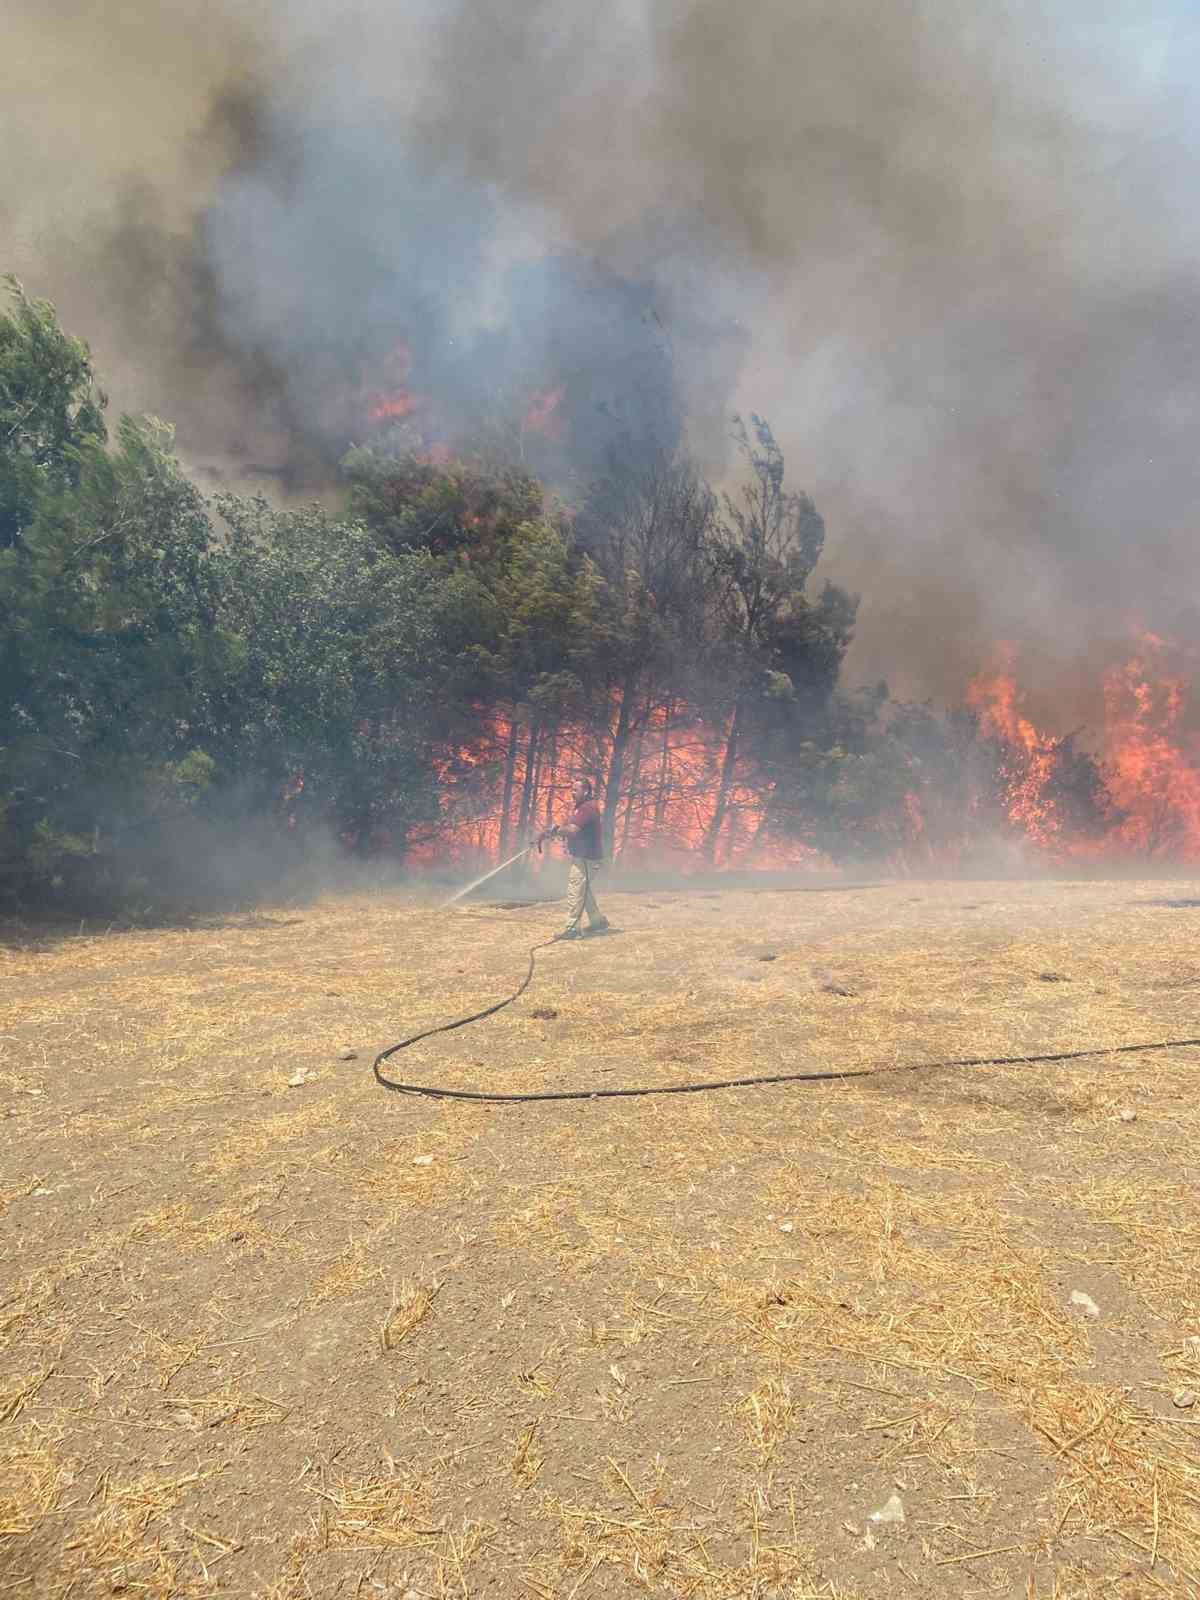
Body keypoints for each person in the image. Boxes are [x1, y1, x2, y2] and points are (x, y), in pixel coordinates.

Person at [540, 777, 609, 940]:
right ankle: (598, 921)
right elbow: (572, 829)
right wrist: (556, 831)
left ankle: (572, 929)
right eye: (571, 789)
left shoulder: (587, 808)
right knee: (583, 890)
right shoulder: (583, 807)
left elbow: (573, 830)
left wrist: (556, 831)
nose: (572, 793)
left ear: (586, 791)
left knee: (575, 891)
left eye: (575, 790)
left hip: (586, 859)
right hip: (587, 857)